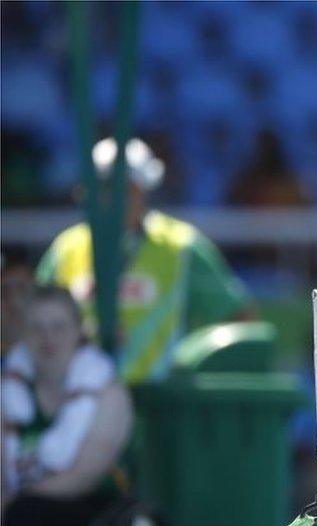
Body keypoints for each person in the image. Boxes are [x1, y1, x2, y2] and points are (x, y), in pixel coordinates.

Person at [36, 137, 253, 384]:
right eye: (101, 187)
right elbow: (33, 319)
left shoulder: (181, 246)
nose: (110, 198)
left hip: (160, 407)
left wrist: (191, 365)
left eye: (122, 188)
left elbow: (239, 318)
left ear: (142, 190)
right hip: (78, 398)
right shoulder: (66, 248)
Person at [1, 286, 132, 526]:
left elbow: (86, 474)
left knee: (24, 517)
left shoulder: (107, 392)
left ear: (77, 331)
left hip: (90, 507)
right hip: (20, 502)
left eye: (58, 327)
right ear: (23, 334)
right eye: (37, 328)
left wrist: (17, 499)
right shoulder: (10, 393)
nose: (49, 338)